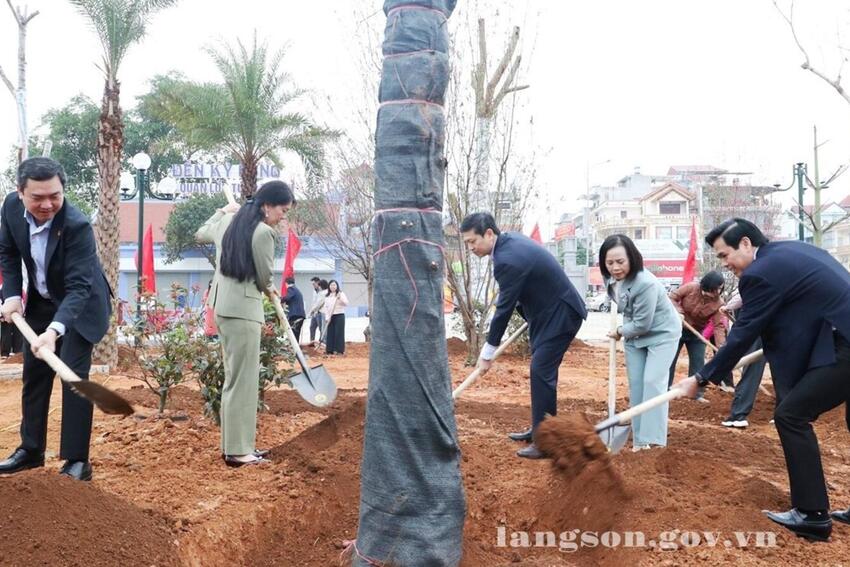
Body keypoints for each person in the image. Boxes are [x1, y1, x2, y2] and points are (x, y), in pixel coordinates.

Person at [678, 218, 850, 541]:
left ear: (745, 243)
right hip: (842, 330)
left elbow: (743, 334)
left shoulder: (760, 273)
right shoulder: (787, 252)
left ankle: (812, 514)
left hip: (845, 343)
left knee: (791, 416)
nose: (725, 265)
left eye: (724, 255)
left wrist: (702, 378)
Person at [0, 157, 112, 481]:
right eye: (38, 197)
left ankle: (77, 462)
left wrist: (54, 331)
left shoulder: (76, 225)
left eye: (55, 196)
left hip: (81, 305)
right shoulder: (9, 209)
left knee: (73, 377)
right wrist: (10, 296)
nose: (47, 204)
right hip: (42, 299)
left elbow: (78, 287)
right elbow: (6, 252)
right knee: (34, 374)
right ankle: (30, 450)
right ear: (20, 192)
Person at [462, 212, 586, 459]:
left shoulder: (508, 259)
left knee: (541, 372)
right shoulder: (509, 245)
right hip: (546, 315)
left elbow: (504, 308)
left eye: (472, 241)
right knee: (540, 372)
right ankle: (541, 429)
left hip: (560, 315)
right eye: (467, 243)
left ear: (489, 233)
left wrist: (487, 352)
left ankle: (546, 441)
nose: (471, 248)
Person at [196, 180, 294, 467]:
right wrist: (271, 288)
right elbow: (265, 278)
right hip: (244, 311)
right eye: (282, 210)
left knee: (233, 380)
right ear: (266, 206)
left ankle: (234, 447)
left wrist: (221, 211)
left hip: (223, 308)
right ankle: (240, 452)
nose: (283, 217)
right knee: (244, 382)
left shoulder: (228, 221)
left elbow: (201, 233)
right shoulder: (264, 233)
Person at [601, 234, 680, 451]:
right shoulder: (611, 279)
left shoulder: (645, 283)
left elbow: (642, 324)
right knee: (637, 385)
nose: (615, 267)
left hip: (661, 334)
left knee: (653, 383)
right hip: (634, 335)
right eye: (609, 263)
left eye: (620, 262)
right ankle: (639, 441)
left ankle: (653, 441)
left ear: (632, 258)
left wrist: (618, 331)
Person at [667, 271, 728, 402]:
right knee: (669, 361)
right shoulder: (691, 288)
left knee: (698, 364)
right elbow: (672, 297)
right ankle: (665, 391)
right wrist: (679, 312)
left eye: (718, 290)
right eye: (712, 290)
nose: (715, 294)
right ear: (705, 286)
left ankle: (696, 395)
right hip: (678, 330)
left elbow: (718, 327)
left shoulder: (719, 303)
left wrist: (722, 348)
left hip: (697, 335)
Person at [718, 291, 767, 429]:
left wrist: (727, 307)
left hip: (759, 327)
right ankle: (784, 411)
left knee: (752, 368)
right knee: (782, 370)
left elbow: (743, 295)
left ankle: (738, 415)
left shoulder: (757, 273)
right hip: (781, 326)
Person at [322, 279, 348, 355]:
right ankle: (330, 350)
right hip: (330, 316)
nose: (333, 286)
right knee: (330, 332)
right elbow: (326, 308)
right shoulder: (327, 296)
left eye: (334, 285)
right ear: (329, 286)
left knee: (338, 333)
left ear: (337, 286)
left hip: (339, 315)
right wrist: (327, 318)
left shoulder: (340, 294)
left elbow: (346, 303)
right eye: (331, 285)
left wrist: (340, 298)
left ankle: (339, 350)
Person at [282, 277, 306, 341]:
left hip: (295, 315)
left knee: (293, 334)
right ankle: (296, 350)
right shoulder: (296, 289)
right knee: (296, 334)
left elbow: (287, 298)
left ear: (286, 283)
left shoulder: (291, 289)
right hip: (299, 314)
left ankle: (294, 350)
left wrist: (279, 299)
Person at [307, 277, 326, 344]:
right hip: (314, 312)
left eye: (314, 284)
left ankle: (321, 342)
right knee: (312, 327)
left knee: (321, 328)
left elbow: (319, 303)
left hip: (319, 312)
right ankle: (312, 341)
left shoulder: (323, 292)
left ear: (318, 282)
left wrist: (311, 311)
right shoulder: (314, 291)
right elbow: (314, 302)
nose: (313, 285)